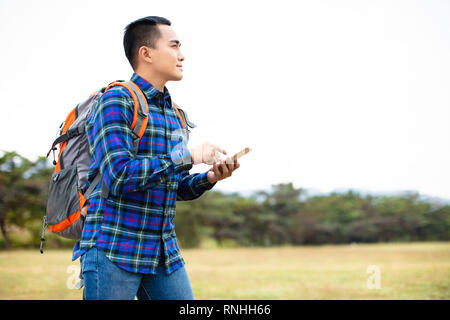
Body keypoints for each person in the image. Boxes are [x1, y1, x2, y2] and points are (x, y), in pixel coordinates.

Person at [72, 16, 240, 300]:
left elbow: (175, 187)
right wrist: (187, 155)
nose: (182, 55)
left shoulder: (176, 115)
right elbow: (118, 176)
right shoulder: (116, 101)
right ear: (146, 53)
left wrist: (210, 177)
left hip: (163, 254)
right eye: (174, 46)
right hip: (113, 248)